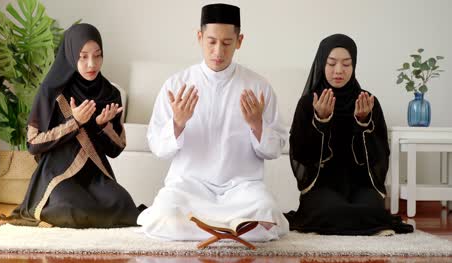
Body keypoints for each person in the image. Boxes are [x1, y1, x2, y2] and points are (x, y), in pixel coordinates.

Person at [137, 3, 289, 241]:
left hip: (242, 189)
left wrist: (257, 125)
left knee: (266, 213)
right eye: (211, 41)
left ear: (239, 41)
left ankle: (206, 230)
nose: (218, 51)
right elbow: (157, 147)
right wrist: (177, 123)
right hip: (189, 187)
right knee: (165, 213)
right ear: (199, 37)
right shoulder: (177, 85)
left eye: (227, 43)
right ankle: (230, 231)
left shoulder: (258, 87)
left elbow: (275, 149)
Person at [0, 23, 143, 228]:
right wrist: (75, 123)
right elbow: (33, 143)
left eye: (98, 55)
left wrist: (101, 126)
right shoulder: (51, 90)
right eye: (83, 56)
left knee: (122, 203)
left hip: (94, 174)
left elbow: (115, 150)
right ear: (71, 55)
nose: (92, 64)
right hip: (58, 174)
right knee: (72, 209)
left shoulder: (110, 94)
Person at [284, 34, 413, 235]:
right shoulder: (309, 103)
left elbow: (380, 155)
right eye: (331, 63)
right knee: (331, 211)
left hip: (360, 184)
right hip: (321, 186)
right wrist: (321, 121)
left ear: (354, 66)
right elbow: (300, 154)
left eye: (346, 64)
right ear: (321, 63)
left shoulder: (367, 102)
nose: (338, 71)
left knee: (372, 210)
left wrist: (363, 123)